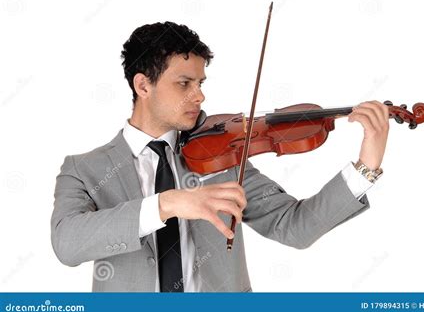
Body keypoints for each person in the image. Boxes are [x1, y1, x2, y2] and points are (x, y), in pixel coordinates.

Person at [51, 21, 389, 292]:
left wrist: (366, 166)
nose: (199, 95)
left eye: (200, 82)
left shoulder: (219, 155)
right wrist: (168, 204)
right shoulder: (84, 169)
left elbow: (294, 227)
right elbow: (68, 243)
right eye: (184, 84)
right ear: (143, 86)